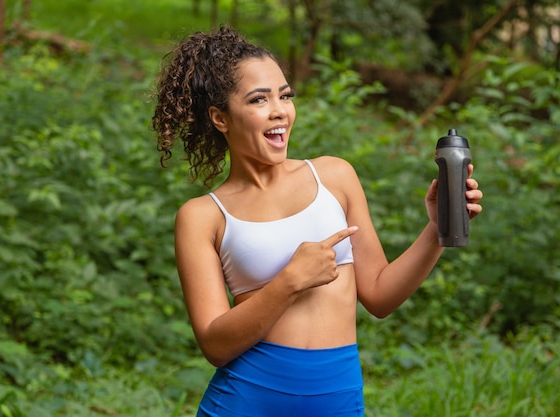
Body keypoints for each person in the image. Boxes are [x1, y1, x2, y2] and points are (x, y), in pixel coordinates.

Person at [152, 26, 483, 417]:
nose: (279, 110)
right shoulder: (202, 216)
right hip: (246, 401)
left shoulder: (334, 177)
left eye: (285, 95)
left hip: (337, 399)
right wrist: (290, 281)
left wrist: (438, 229)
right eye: (259, 99)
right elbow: (215, 345)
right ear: (220, 118)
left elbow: (379, 295)